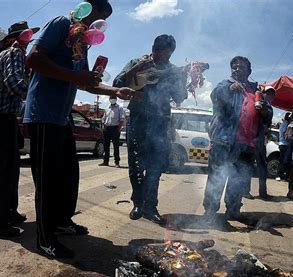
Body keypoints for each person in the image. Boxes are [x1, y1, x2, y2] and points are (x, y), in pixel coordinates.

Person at [24, 0, 134, 258]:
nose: (97, 21)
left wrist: (115, 90)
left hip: (62, 118)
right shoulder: (61, 24)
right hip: (42, 114)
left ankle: (62, 222)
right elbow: (33, 58)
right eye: (97, 13)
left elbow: (87, 84)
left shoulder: (83, 43)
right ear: (86, 8)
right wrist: (75, 77)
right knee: (47, 180)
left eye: (104, 18)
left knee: (69, 174)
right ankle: (44, 238)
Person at [113, 34, 188, 225]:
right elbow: (117, 84)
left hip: (161, 121)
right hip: (138, 118)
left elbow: (179, 97)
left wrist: (181, 78)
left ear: (171, 53)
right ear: (153, 49)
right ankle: (138, 203)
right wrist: (138, 68)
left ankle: (150, 206)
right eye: (159, 51)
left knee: (156, 166)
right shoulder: (137, 62)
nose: (163, 57)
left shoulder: (172, 71)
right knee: (136, 164)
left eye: (167, 53)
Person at [0, 21, 39, 237]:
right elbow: (15, 84)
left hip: (3, 119)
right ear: (13, 39)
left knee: (12, 167)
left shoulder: (6, 54)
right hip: (1, 119)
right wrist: (37, 95)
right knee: (6, 170)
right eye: (25, 38)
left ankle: (10, 211)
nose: (28, 43)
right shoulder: (13, 52)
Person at [203, 56, 266, 222]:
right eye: (234, 67)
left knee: (238, 180)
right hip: (224, 140)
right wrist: (229, 89)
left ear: (249, 71)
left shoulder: (257, 91)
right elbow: (214, 96)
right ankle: (210, 211)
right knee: (217, 177)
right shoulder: (225, 84)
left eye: (241, 67)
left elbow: (267, 114)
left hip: (247, 144)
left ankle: (233, 210)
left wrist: (265, 111)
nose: (237, 69)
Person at [254, 86, 275, 200]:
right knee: (246, 165)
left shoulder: (269, 108)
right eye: (267, 93)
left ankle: (263, 192)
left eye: (272, 94)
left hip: (260, 140)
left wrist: (262, 108)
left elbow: (267, 115)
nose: (269, 95)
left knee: (262, 166)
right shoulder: (256, 100)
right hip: (250, 138)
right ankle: (245, 191)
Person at [99, 97, 125, 168]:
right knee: (106, 145)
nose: (112, 99)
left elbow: (122, 119)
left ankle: (117, 162)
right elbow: (104, 118)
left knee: (116, 146)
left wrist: (119, 129)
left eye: (113, 98)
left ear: (116, 99)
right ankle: (105, 161)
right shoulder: (107, 107)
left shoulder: (119, 108)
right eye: (111, 98)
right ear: (109, 99)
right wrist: (103, 125)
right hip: (107, 128)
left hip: (115, 128)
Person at [276, 112, 291, 181]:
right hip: (284, 144)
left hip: (284, 144)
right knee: (282, 161)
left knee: (284, 161)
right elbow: (285, 135)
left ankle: (282, 175)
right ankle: (279, 175)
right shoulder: (284, 124)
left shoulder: (285, 124)